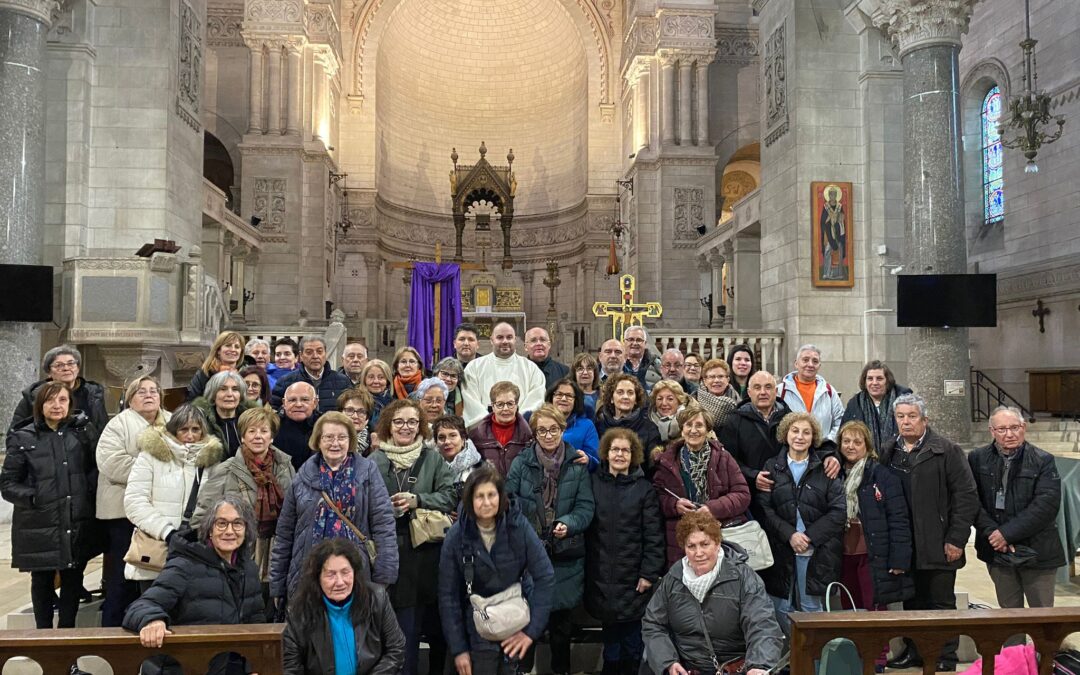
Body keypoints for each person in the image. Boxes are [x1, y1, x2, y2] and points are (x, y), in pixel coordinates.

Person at [878, 393, 978, 672]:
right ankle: (915, 652)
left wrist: (956, 539)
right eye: (901, 417)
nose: (906, 422)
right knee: (912, 603)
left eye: (912, 416)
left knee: (941, 604)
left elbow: (966, 496)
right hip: (906, 544)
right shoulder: (889, 451)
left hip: (939, 542)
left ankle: (946, 656)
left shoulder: (946, 450)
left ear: (924, 419)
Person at [270, 412, 399, 605]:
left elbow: (384, 526)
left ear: (351, 440)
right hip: (308, 574)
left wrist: (384, 577)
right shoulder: (302, 476)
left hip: (356, 575)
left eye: (342, 437)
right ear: (318, 441)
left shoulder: (368, 472)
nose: (335, 443)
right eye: (328, 437)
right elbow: (285, 533)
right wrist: (277, 584)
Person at [439, 465, 555, 675]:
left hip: (515, 624)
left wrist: (531, 632)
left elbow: (545, 576)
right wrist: (459, 649)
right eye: (479, 496)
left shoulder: (519, 527)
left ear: (501, 496)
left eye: (491, 495)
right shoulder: (456, 536)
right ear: (469, 500)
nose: (486, 502)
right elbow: (448, 597)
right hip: (475, 631)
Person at [506, 404, 595, 675]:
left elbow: (585, 507)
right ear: (534, 433)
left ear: (562, 429)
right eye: (542, 430)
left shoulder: (576, 464)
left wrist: (567, 524)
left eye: (553, 429)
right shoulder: (522, 462)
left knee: (561, 629)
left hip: (565, 556)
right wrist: (527, 523)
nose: (548, 435)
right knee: (527, 623)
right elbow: (507, 501)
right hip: (529, 554)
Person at [1, 382, 98, 629]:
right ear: (39, 405)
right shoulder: (23, 436)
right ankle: (44, 640)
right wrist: (35, 497)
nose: (57, 406)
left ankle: (67, 645)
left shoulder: (82, 431)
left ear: (70, 403)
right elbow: (8, 483)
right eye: (50, 401)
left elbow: (94, 470)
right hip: (40, 521)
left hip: (76, 519)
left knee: (73, 580)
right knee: (42, 580)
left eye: (62, 400)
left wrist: (85, 495)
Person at [370, 398, 456, 675]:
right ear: (388, 426)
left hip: (423, 554)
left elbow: (450, 496)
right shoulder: (374, 461)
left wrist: (417, 499)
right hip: (383, 551)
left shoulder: (432, 458)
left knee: (416, 625)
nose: (405, 427)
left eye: (411, 421)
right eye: (399, 421)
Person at [641, 512, 784, 675]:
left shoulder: (743, 577)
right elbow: (653, 623)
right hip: (687, 668)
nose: (698, 553)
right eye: (691, 546)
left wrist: (759, 665)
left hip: (736, 667)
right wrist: (668, 662)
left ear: (717, 543)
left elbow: (762, 624)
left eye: (704, 544)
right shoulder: (672, 579)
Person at [122, 497, 266, 648]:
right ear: (210, 530)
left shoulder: (249, 568)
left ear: (246, 530)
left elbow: (256, 619)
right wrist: (153, 620)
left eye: (237, 524)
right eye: (221, 524)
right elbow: (142, 606)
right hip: (190, 661)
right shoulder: (184, 565)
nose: (229, 531)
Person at [756, 412, 845, 632]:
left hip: (816, 551)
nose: (800, 437)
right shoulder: (772, 466)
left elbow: (838, 511)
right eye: (795, 431)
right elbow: (766, 509)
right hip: (782, 549)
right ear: (786, 434)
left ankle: (815, 665)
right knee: (781, 607)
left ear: (813, 437)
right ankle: (793, 662)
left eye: (806, 432)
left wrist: (808, 537)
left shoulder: (825, 468)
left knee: (811, 609)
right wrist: (790, 535)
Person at [585, 429, 665, 675]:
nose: (620, 454)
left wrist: (648, 574)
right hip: (600, 578)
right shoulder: (592, 483)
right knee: (611, 647)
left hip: (634, 580)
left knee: (631, 645)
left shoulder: (644, 490)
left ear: (634, 455)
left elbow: (654, 537)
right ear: (606, 454)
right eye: (615, 449)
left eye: (625, 450)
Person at [969, 407, 1064, 612]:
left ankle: (1044, 647)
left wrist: (1006, 534)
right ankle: (1014, 646)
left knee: (1042, 616)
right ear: (992, 431)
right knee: (1009, 615)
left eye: (1015, 427)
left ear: (1024, 428)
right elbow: (972, 501)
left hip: (1037, 550)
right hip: (996, 549)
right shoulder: (977, 458)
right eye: (1002, 429)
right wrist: (993, 535)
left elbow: (1046, 505)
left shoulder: (1043, 460)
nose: (1009, 434)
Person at [96, 376, 172, 627]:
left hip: (161, 512)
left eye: (153, 391)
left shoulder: (173, 421)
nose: (149, 395)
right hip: (122, 513)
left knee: (155, 574)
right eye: (141, 392)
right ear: (130, 399)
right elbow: (111, 463)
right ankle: (113, 633)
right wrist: (152, 470)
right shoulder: (119, 424)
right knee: (121, 577)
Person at [125, 404, 225, 590]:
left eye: (196, 429)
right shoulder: (150, 457)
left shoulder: (211, 463)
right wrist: (167, 532)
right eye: (184, 429)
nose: (190, 435)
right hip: (157, 552)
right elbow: (134, 502)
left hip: (196, 552)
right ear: (173, 430)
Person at [196, 406, 296, 589]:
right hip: (239, 553)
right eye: (252, 431)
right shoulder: (226, 469)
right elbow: (203, 515)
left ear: (271, 437)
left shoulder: (285, 466)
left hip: (278, 553)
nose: (258, 436)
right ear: (243, 436)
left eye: (264, 431)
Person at [283, 538, 406, 675]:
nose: (340, 582)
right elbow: (291, 667)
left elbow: (396, 649)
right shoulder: (298, 611)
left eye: (345, 572)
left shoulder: (377, 598)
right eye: (331, 575)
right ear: (317, 577)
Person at [652, 407, 750, 567]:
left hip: (718, 536)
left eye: (699, 425)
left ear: (707, 430)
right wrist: (674, 505)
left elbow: (742, 495)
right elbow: (657, 496)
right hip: (680, 542)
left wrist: (712, 509)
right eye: (688, 425)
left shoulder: (724, 457)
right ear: (682, 430)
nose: (693, 430)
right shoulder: (667, 461)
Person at [836, 420, 914, 616]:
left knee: (873, 608)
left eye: (857, 442)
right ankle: (853, 646)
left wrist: (899, 559)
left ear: (867, 446)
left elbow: (899, 519)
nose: (851, 446)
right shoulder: (834, 474)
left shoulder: (882, 476)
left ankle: (880, 648)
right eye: (846, 441)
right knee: (849, 607)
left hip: (873, 554)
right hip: (843, 553)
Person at [719, 372, 791, 516]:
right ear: (749, 392)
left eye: (768, 387)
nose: (763, 392)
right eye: (757, 387)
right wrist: (753, 476)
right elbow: (728, 459)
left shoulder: (789, 418)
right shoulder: (735, 420)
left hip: (786, 494)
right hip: (752, 495)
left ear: (776, 391)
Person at [461, 322, 547, 427]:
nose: (505, 341)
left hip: (520, 430)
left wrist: (515, 422)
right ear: (492, 340)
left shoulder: (531, 368)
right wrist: (490, 424)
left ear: (515, 340)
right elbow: (471, 401)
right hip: (484, 431)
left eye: (509, 337)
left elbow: (536, 400)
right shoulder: (474, 367)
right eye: (500, 337)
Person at [9, 344, 108, 434]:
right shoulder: (35, 395)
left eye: (71, 363)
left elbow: (103, 429)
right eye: (59, 365)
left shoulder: (93, 394)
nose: (66, 368)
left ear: (77, 368)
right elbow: (15, 432)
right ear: (49, 372)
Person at [778, 344, 844, 446]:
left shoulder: (829, 391)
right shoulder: (780, 391)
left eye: (815, 361)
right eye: (805, 360)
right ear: (796, 363)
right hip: (790, 451)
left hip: (822, 452)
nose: (810, 364)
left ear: (819, 366)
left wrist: (828, 441)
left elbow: (840, 420)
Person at [842, 360, 913, 455]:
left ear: (887, 381)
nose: (874, 383)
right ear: (865, 381)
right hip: (866, 461)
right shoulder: (855, 403)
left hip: (901, 459)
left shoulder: (904, 398)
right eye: (870, 379)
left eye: (879, 378)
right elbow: (844, 435)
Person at [594, 374, 662, 473]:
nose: (625, 397)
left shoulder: (649, 428)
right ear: (611, 398)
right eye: (620, 392)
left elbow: (653, 468)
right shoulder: (599, 426)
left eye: (630, 393)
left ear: (636, 400)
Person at [468, 381, 535, 478]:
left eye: (510, 404)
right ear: (493, 406)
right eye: (500, 404)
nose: (505, 408)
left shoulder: (530, 436)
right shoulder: (476, 435)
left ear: (516, 405)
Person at [271, 336, 353, 413]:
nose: (315, 356)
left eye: (319, 351)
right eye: (309, 352)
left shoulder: (343, 381)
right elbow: (274, 411)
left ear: (325, 354)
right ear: (301, 356)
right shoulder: (286, 381)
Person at [192, 370, 259, 458]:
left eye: (235, 389)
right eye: (223, 389)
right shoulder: (199, 422)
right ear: (213, 394)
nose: (230, 394)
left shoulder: (253, 419)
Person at [546, 378, 600, 470]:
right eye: (559, 394)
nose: (563, 399)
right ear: (551, 398)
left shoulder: (587, 425)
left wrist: (588, 459)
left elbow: (596, 460)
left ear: (576, 400)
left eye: (569, 396)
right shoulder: (539, 421)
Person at [433, 415, 484, 499]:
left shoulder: (480, 469)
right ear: (436, 442)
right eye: (441, 437)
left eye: (453, 435)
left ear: (463, 438)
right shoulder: (429, 466)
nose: (447, 442)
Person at [186, 330, 246, 401]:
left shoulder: (245, 373)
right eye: (228, 345)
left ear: (241, 352)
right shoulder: (205, 373)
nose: (233, 349)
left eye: (237, 347)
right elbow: (192, 400)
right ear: (218, 350)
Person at [276, 382, 323, 470]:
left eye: (305, 400)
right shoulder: (272, 425)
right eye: (292, 400)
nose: (298, 404)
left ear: (315, 403)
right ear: (284, 403)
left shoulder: (325, 425)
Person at [693, 359, 740, 432]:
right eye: (712, 377)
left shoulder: (739, 403)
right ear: (705, 381)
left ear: (727, 380)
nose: (716, 380)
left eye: (721, 376)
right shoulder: (692, 402)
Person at [648, 380, 691, 445]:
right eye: (660, 399)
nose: (664, 403)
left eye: (670, 399)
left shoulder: (691, 421)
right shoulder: (646, 422)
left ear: (679, 401)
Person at [621, 326, 661, 392]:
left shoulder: (655, 363)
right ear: (624, 342)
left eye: (639, 340)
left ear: (645, 344)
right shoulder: (618, 363)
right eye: (630, 339)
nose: (634, 343)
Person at [339, 387, 375, 455]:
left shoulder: (375, 444)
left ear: (367, 418)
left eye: (361, 411)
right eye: (349, 410)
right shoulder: (327, 441)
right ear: (340, 413)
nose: (355, 416)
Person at [362, 359, 394, 425]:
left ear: (387, 381)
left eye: (381, 377)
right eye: (371, 377)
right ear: (364, 380)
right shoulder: (358, 402)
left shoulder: (394, 404)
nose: (376, 381)